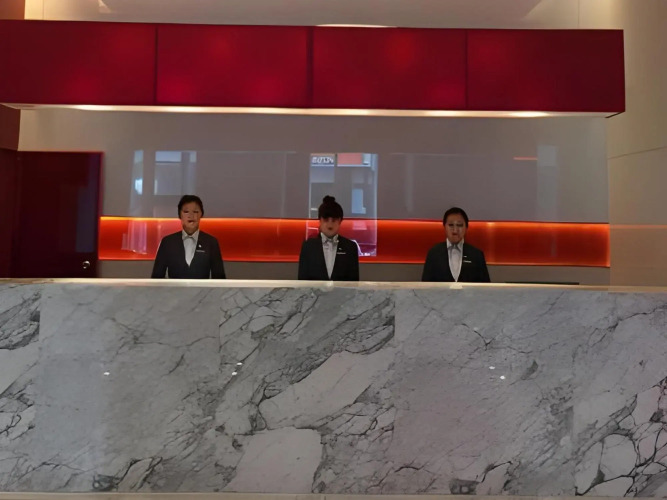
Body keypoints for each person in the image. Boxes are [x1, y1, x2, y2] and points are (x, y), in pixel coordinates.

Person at [151, 195, 226, 279]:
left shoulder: (211, 242)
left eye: (195, 212)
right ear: (180, 215)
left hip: (202, 288)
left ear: (201, 214)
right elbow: (156, 279)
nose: (191, 215)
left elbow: (220, 279)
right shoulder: (167, 242)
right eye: (186, 212)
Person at [298, 195, 360, 281]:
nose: (330, 224)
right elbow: (302, 281)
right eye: (326, 220)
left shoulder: (350, 247)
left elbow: (354, 283)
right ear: (320, 220)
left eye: (334, 220)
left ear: (340, 221)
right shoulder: (308, 247)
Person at [422, 206, 490, 283]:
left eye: (459, 225)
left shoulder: (477, 255)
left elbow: (485, 287)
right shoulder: (433, 253)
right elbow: (425, 286)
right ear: (444, 227)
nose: (455, 230)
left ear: (466, 227)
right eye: (451, 225)